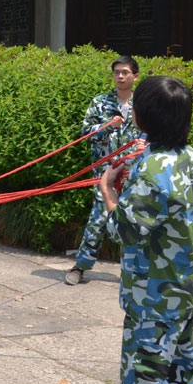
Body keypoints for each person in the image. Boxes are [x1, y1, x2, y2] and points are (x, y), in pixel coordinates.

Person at [99, 75, 193, 384]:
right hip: (186, 288)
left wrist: (107, 190)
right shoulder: (191, 157)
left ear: (142, 117)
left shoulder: (152, 170)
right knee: (182, 363)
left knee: (143, 381)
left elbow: (124, 230)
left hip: (155, 296)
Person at [66, 56, 143, 286]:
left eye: (125, 72)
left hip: (134, 172)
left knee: (133, 219)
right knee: (98, 218)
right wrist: (105, 126)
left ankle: (132, 271)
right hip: (105, 172)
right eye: (117, 72)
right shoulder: (100, 102)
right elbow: (85, 132)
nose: (120, 76)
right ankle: (81, 266)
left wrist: (144, 146)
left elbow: (152, 131)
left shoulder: (142, 103)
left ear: (135, 76)